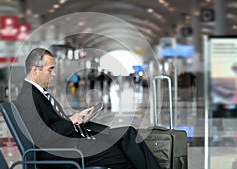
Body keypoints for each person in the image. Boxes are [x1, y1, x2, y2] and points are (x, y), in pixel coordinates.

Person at [16, 48, 161, 169]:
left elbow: (50, 124)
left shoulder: (36, 93)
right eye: (50, 69)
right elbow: (42, 137)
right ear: (35, 70)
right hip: (61, 151)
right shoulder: (28, 98)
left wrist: (77, 118)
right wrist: (71, 121)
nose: (54, 74)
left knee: (129, 133)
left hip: (68, 143)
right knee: (127, 153)